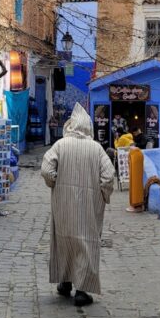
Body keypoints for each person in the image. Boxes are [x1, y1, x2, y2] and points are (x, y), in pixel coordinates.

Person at [41, 104, 115, 307]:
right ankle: (82, 290)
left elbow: (46, 169)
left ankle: (64, 283)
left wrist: (57, 183)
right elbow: (108, 176)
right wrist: (102, 195)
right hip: (89, 207)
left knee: (63, 240)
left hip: (63, 205)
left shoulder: (60, 145)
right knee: (86, 243)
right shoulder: (96, 149)